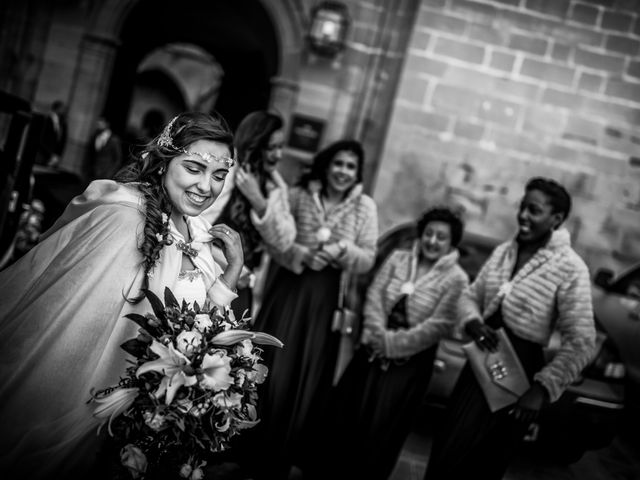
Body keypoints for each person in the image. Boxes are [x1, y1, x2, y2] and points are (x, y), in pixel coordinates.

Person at [0, 112, 243, 479]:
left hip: (151, 416)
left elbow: (201, 326)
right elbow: (71, 326)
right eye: (193, 168)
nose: (207, 186)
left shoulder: (199, 231)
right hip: (95, 402)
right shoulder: (125, 219)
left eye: (219, 175)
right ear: (164, 163)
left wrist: (231, 274)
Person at [423, 177, 597, 480]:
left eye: (535, 210)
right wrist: (474, 322)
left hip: (519, 378)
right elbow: (470, 297)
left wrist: (542, 389)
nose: (524, 216)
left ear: (556, 219)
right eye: (522, 207)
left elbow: (582, 341)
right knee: (446, 454)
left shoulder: (571, 267)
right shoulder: (505, 251)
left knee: (483, 464)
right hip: (480, 365)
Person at [306, 206, 469, 480]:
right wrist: (377, 333)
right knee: (346, 416)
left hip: (409, 364)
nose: (432, 241)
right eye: (429, 233)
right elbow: (375, 295)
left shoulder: (457, 279)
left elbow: (438, 325)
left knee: (380, 427)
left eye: (441, 237)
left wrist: (392, 345)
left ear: (452, 243)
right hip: (371, 350)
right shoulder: (398, 257)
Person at [249, 139, 379, 479]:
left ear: (357, 172)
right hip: (291, 288)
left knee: (306, 374)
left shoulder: (364, 207)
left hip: (326, 298)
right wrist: (300, 254)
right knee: (273, 366)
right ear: (326, 164)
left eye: (351, 166)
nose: (343, 172)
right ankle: (247, 443)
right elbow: (275, 240)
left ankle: (282, 452)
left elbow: (368, 258)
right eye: (339, 163)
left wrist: (341, 250)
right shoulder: (300, 194)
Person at [202, 110, 296, 320]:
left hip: (241, 288)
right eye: (272, 148)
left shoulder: (274, 188)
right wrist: (232, 265)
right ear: (255, 144)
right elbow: (193, 225)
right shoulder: (223, 172)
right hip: (206, 275)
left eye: (281, 147)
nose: (279, 155)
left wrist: (260, 202)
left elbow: (284, 242)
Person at [87, 116, 124, 181]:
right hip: (93, 172)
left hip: (106, 174)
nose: (98, 123)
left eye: (101, 122)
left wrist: (110, 173)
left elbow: (118, 158)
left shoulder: (113, 139)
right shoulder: (95, 136)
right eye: (98, 121)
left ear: (107, 124)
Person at [35, 100, 68, 167]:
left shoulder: (63, 123)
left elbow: (61, 141)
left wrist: (57, 156)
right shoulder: (46, 119)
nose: (64, 111)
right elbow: (40, 138)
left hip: (53, 158)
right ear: (57, 108)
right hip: (42, 155)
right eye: (63, 108)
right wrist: (49, 154)